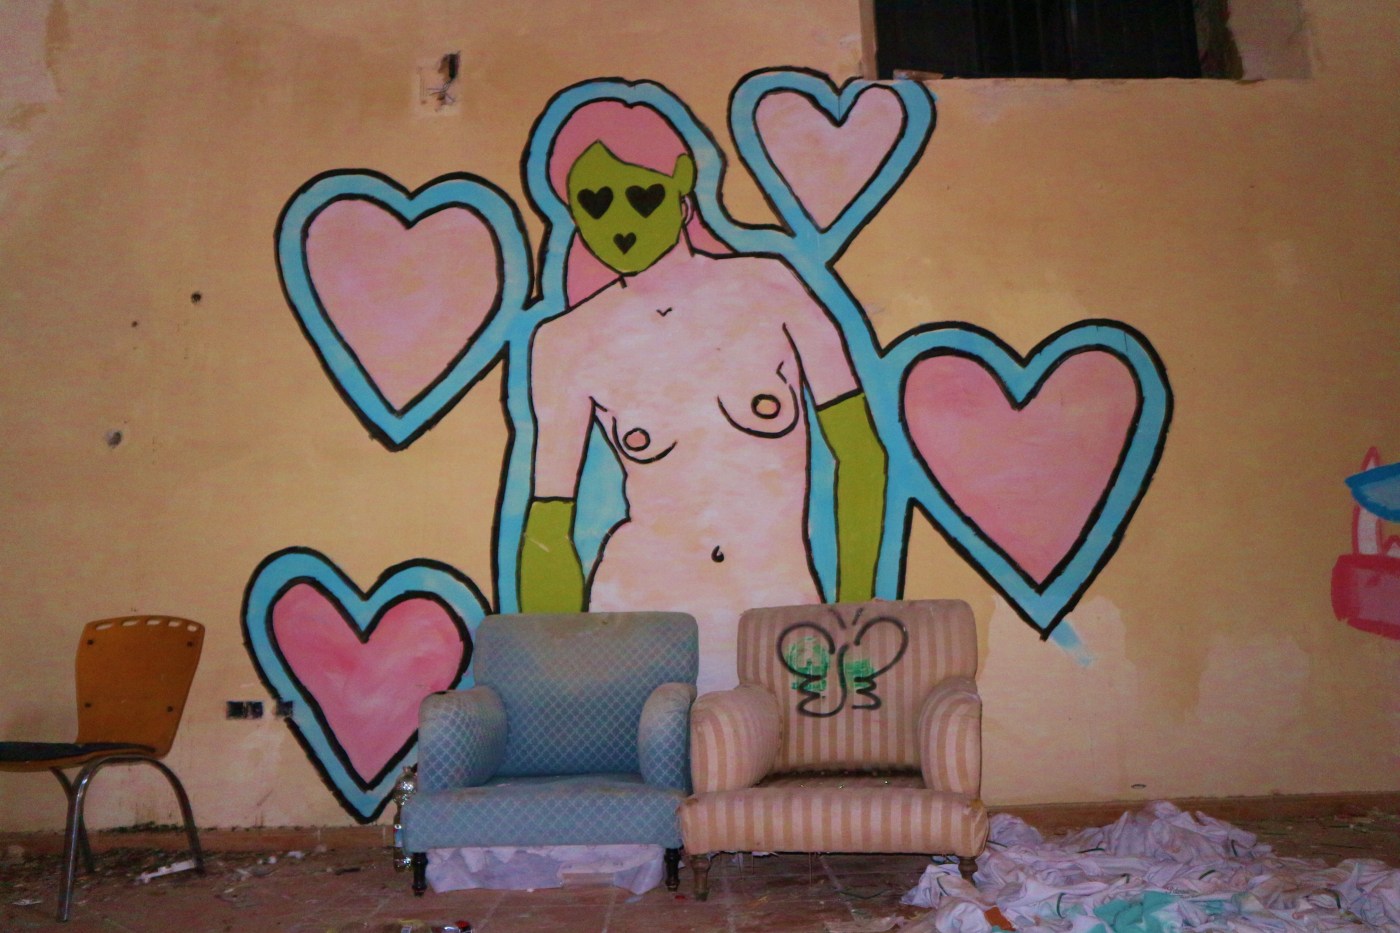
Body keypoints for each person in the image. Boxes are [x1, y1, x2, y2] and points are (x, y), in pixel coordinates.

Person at [520, 99, 886, 691]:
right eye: (595, 203)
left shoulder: (769, 287)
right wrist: (551, 673)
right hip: (641, 617)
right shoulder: (565, 341)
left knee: (779, 746)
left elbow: (862, 454)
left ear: (683, 186)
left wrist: (852, 614)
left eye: (643, 196)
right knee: (662, 746)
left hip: (779, 608)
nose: (620, 221)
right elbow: (549, 523)